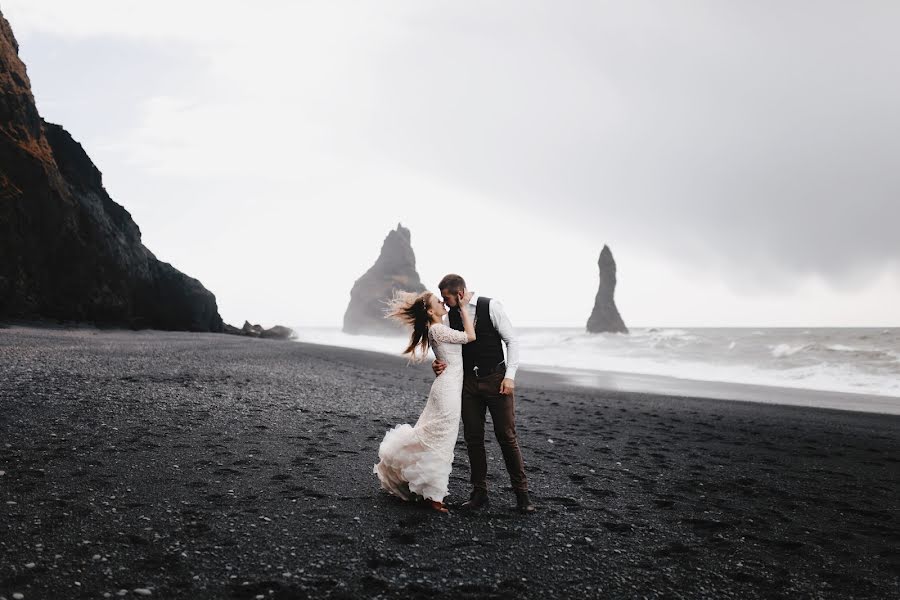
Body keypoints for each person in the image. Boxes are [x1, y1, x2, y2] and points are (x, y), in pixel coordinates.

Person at [434, 274, 535, 513]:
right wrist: (437, 364)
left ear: (459, 294)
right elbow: (448, 349)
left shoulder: (490, 306)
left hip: (496, 379)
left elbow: (512, 341)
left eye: (446, 297)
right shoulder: (450, 317)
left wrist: (510, 376)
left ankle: (522, 496)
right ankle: (479, 494)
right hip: (468, 383)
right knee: (473, 438)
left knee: (507, 437)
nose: (444, 302)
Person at [373, 289, 475, 513]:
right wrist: (465, 307)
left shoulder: (439, 327)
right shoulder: (437, 329)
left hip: (448, 387)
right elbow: (470, 336)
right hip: (447, 390)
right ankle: (433, 496)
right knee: (442, 440)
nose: (441, 302)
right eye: (437, 301)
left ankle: (428, 490)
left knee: (438, 437)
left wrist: (459, 304)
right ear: (430, 311)